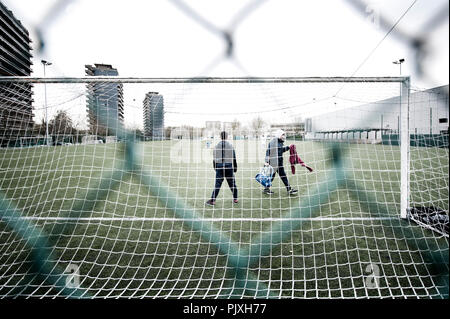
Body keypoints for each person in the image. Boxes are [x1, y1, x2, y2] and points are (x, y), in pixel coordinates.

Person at [206, 131, 238, 206]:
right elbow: (234, 158)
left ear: (220, 137)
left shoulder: (216, 146)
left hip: (219, 167)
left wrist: (215, 168)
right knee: (232, 183)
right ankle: (235, 198)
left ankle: (213, 200)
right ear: (227, 137)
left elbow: (214, 159)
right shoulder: (231, 146)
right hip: (229, 166)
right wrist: (235, 167)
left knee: (217, 184)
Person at [263, 129, 298, 195]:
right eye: (282, 135)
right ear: (278, 135)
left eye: (284, 135)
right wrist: (266, 161)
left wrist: (288, 147)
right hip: (273, 163)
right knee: (271, 177)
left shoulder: (280, 142)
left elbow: (281, 150)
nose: (284, 136)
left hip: (279, 163)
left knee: (283, 176)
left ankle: (289, 189)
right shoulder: (273, 142)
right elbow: (268, 152)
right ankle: (266, 189)